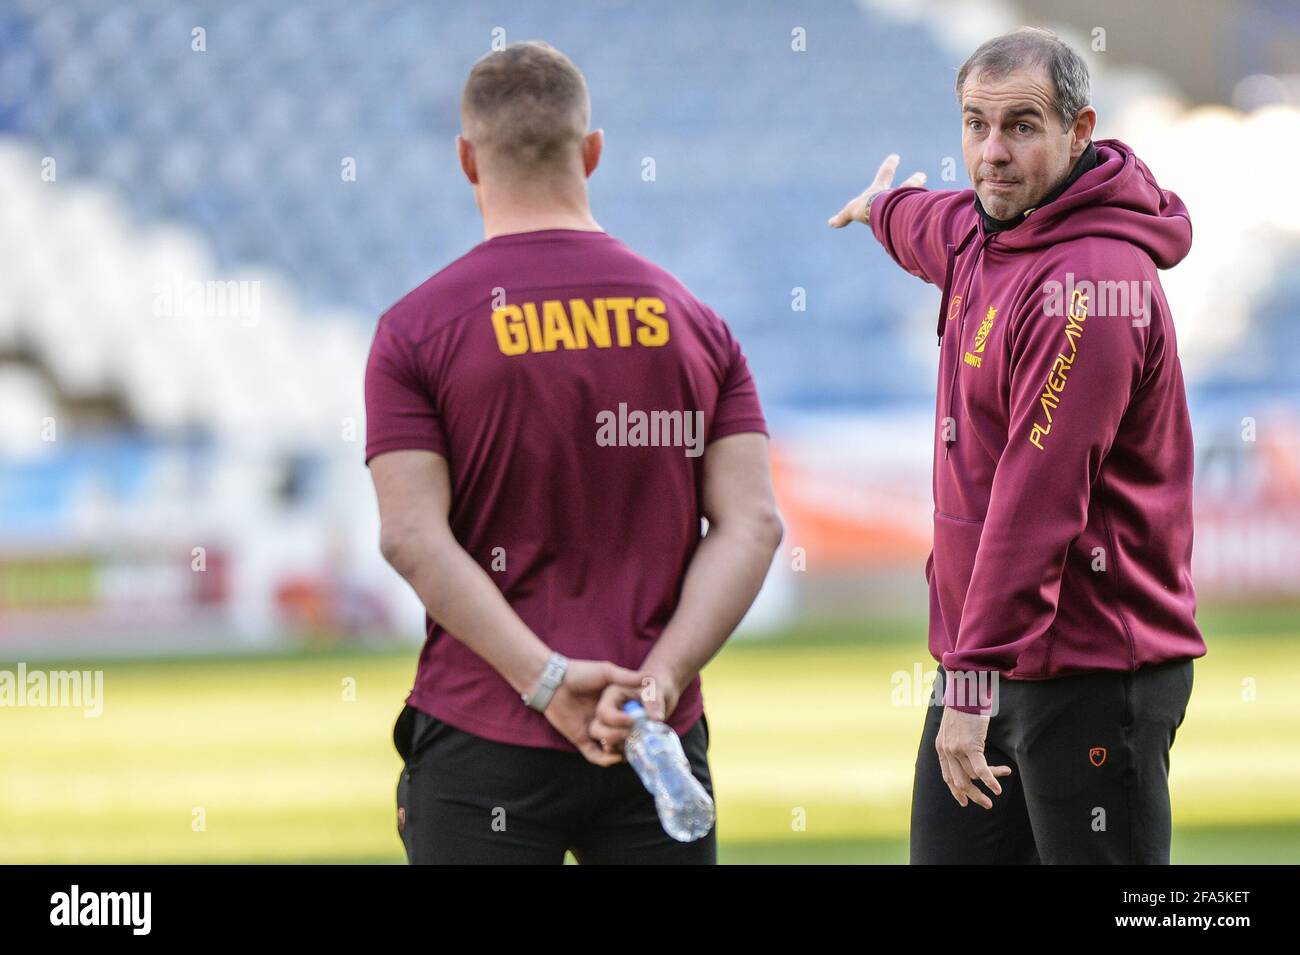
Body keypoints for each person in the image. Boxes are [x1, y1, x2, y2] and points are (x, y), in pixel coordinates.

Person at [364, 40, 782, 864]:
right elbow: (754, 525)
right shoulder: (697, 321)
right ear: (593, 152)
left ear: (466, 160)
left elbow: (411, 536)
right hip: (652, 736)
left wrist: (548, 681)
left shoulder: (415, 328)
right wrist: (655, 686)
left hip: (484, 728)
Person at [829, 26, 1205, 863]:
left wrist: (969, 678)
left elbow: (1034, 508)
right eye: (975, 124)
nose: (991, 153)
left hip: (1091, 671)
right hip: (989, 663)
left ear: (1079, 132)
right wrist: (879, 209)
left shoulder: (1092, 287)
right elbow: (931, 224)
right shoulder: (983, 228)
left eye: (1022, 126)